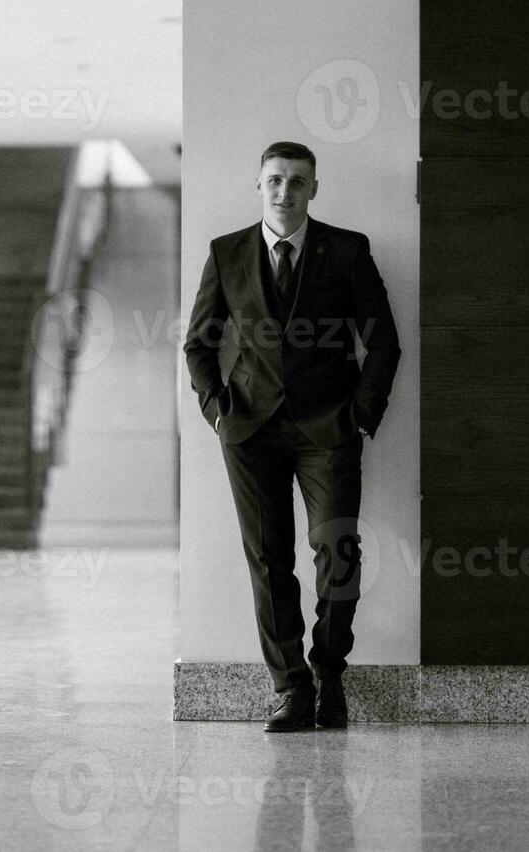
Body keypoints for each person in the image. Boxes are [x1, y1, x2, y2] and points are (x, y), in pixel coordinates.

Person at [183, 141, 400, 732]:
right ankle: (291, 690)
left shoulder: (348, 251)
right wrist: (218, 412)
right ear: (258, 185)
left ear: (314, 189)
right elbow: (200, 344)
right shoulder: (226, 253)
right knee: (268, 561)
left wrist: (362, 413)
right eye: (275, 180)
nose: (285, 192)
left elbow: (383, 341)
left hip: (328, 429)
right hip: (249, 431)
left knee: (337, 555)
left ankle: (330, 675)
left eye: (298, 182)